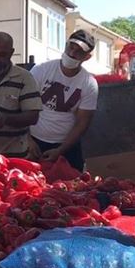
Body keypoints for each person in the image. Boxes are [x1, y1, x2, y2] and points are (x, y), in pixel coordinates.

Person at [28, 30, 99, 171]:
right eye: (70, 47)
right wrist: (27, 139)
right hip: (33, 141)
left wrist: (60, 150)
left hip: (67, 146)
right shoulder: (41, 70)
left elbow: (82, 123)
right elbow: (22, 105)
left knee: (73, 188)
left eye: (79, 51)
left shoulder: (89, 83)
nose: (72, 53)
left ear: (87, 57)